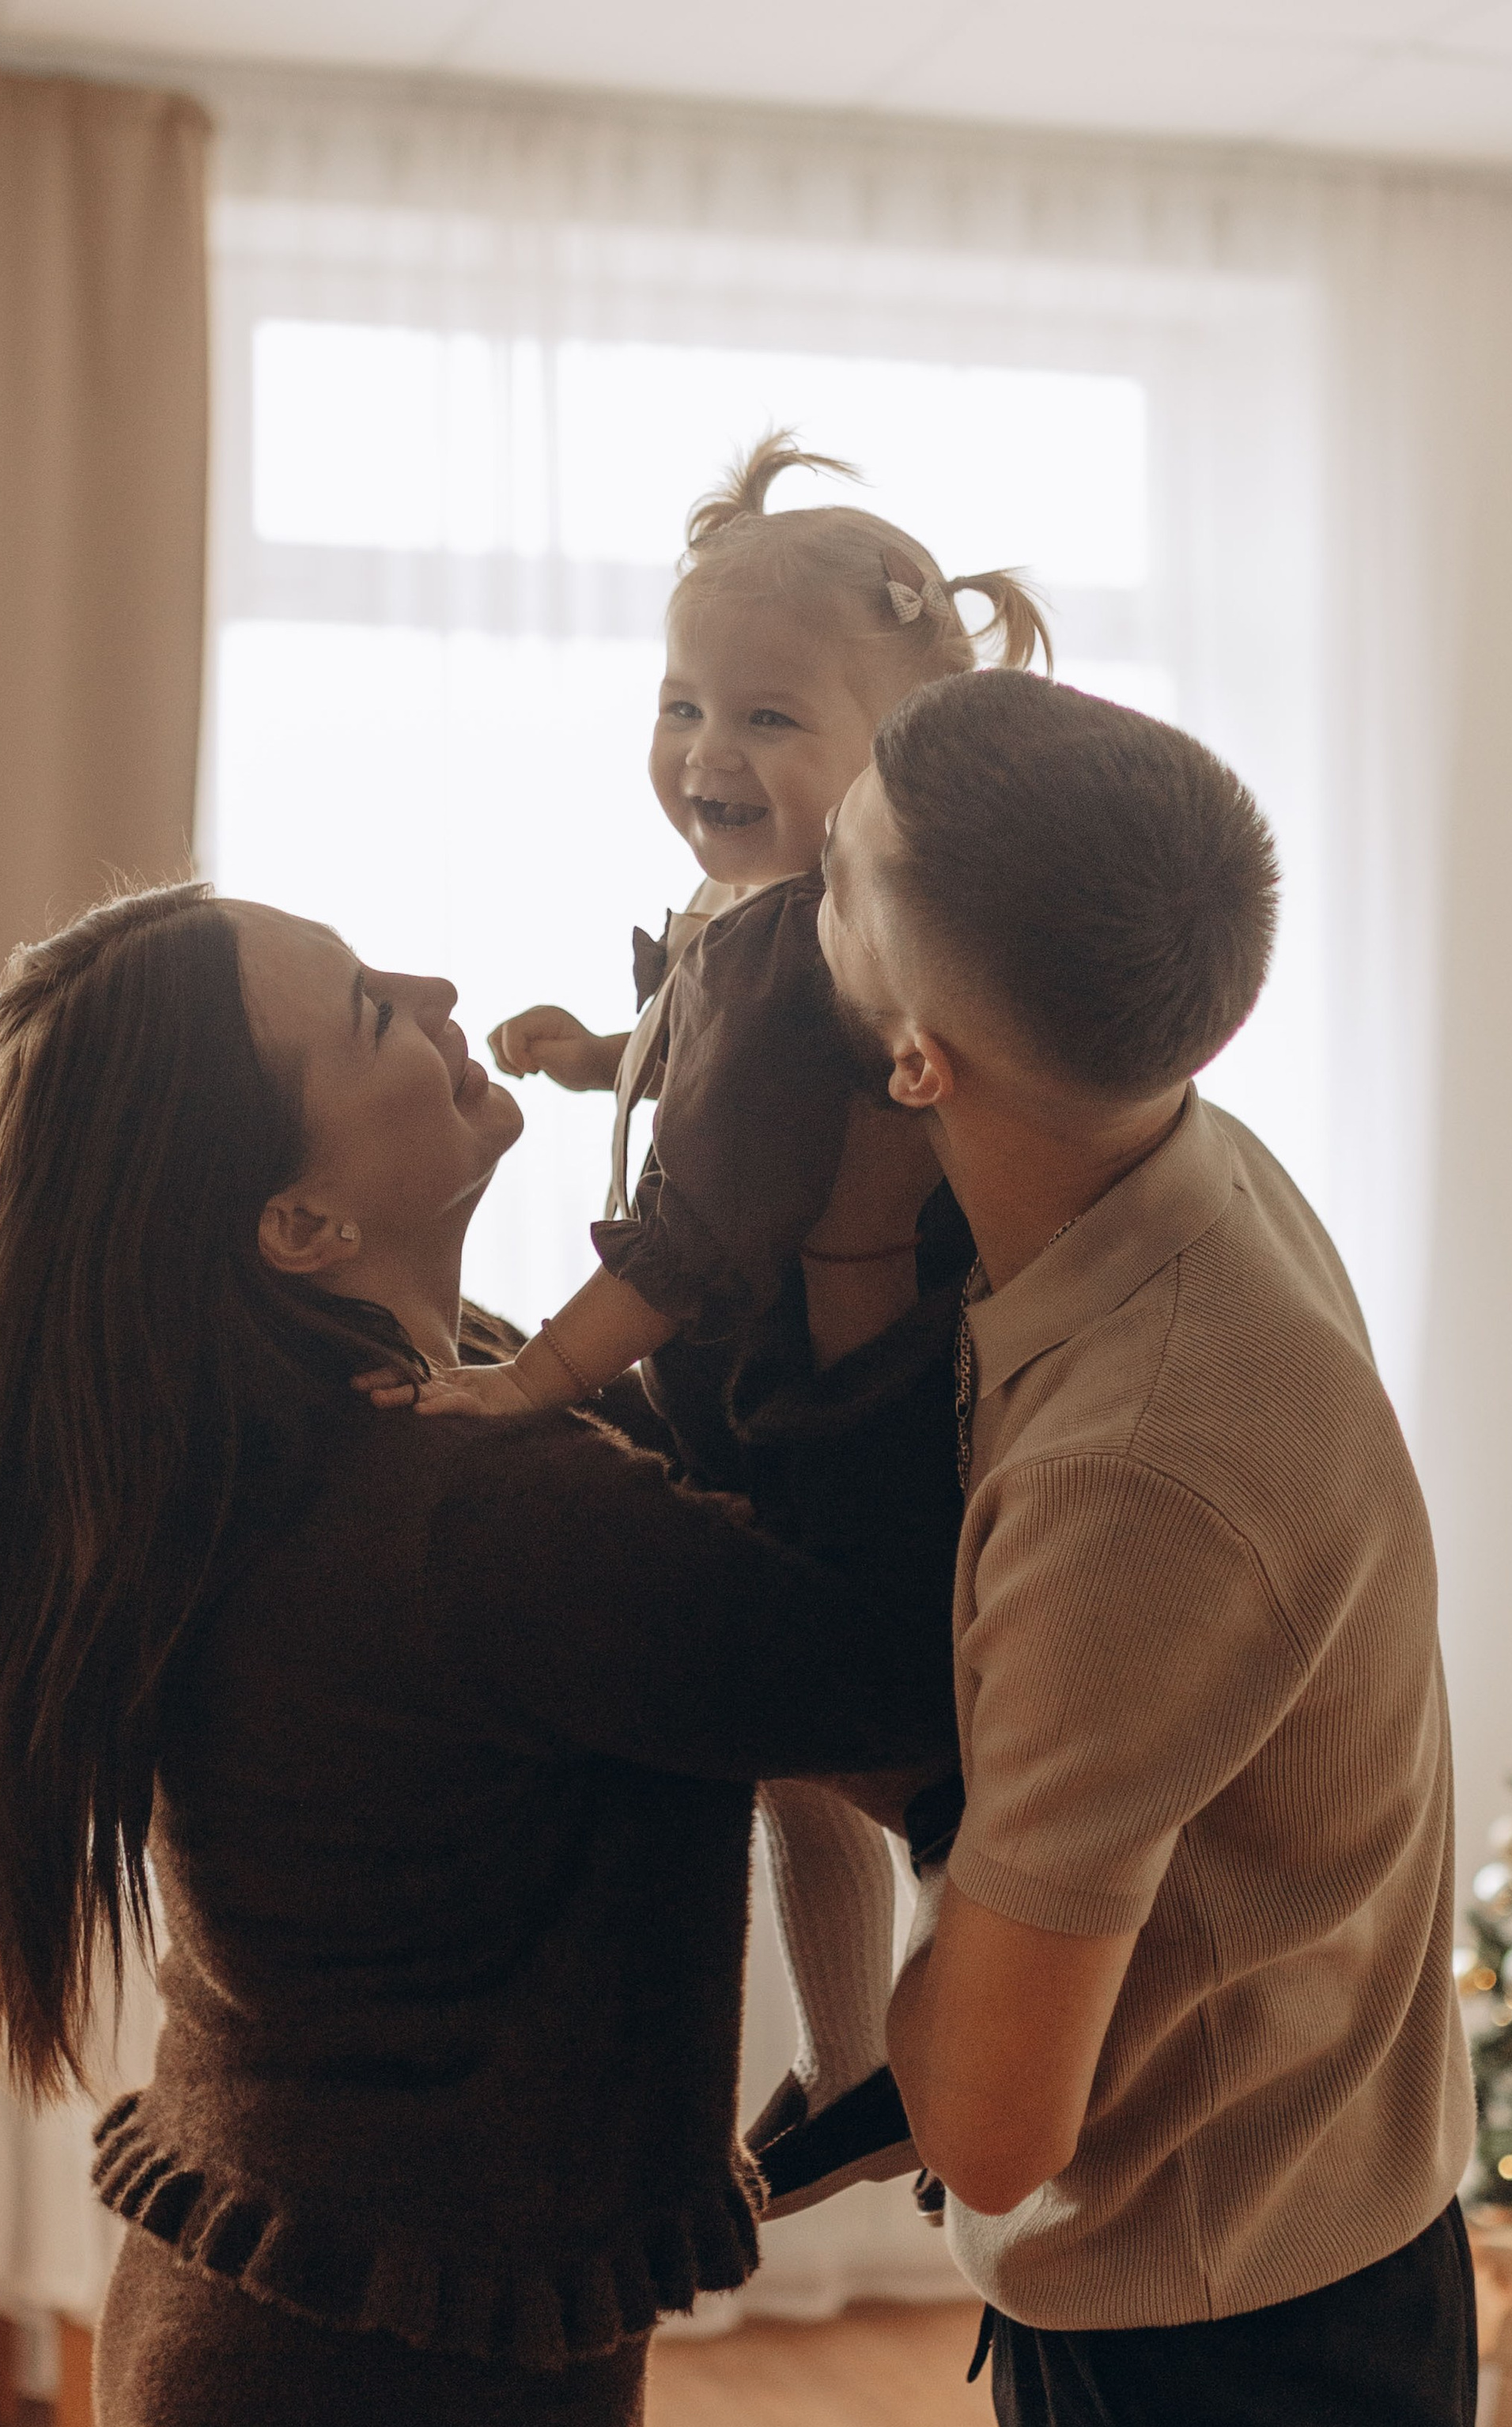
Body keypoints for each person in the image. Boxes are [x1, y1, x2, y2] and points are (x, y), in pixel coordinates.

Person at [0, 880, 957, 2427]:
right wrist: (867, 1236)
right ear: (293, 1228)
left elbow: (700, 1527)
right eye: (374, 1008)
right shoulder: (469, 1511)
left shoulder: (390, 1423)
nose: (450, 996)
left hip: (295, 2342)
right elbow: (892, 1680)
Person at [818, 667, 1480, 2427]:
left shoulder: (1140, 1471)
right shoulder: (1169, 1148)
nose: (807, 850)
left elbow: (995, 2115)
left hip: (1220, 2335)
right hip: (1337, 2204)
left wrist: (855, 1792)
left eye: (839, 863)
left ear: (924, 1059)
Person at [390, 431, 1044, 2198]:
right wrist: (606, 1051)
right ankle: (855, 2068)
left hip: (832, 1409)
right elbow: (728, 1082)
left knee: (879, 1741)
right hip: (797, 1382)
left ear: (895, 759)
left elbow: (694, 1230)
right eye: (683, 703)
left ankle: (912, 2054)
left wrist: (536, 1380)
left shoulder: (785, 944)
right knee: (798, 1765)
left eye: (767, 720)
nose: (703, 752)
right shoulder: (764, 919)